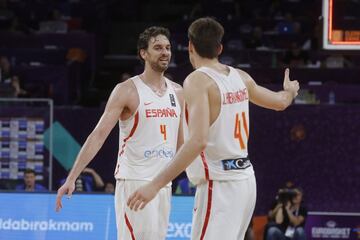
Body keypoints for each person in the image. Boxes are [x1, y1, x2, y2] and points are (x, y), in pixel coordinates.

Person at [127, 17, 300, 240]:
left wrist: (155, 185)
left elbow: (198, 141)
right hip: (246, 181)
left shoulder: (198, 81)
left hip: (219, 185)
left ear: (190, 46)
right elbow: (280, 102)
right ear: (219, 48)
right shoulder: (241, 77)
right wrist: (290, 91)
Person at [55, 26, 183, 240]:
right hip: (135, 180)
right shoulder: (126, 90)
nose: (165, 52)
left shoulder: (178, 92)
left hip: (162, 184)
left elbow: (183, 144)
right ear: (143, 53)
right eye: (158, 47)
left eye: (168, 48)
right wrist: (72, 177)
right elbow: (98, 135)